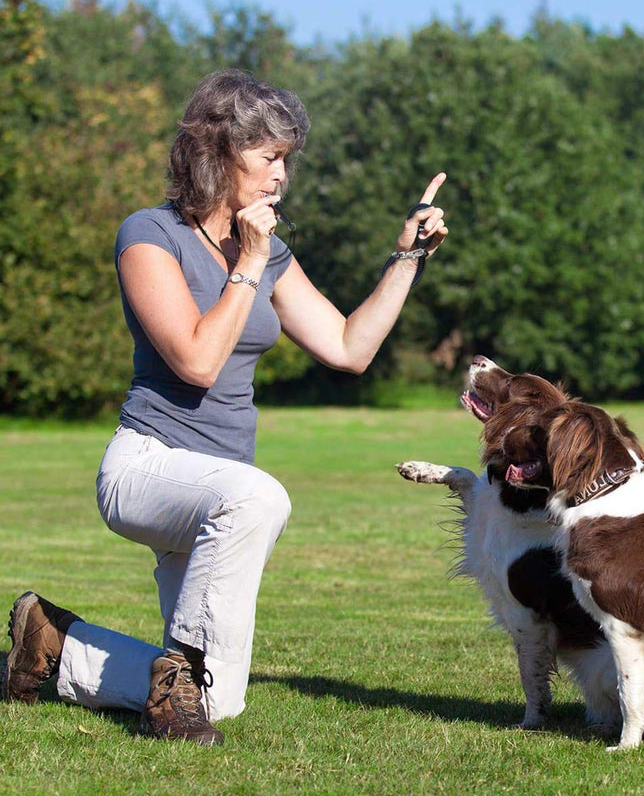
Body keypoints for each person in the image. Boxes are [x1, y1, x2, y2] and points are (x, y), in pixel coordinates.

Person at [2, 69, 447, 746]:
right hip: (148, 468)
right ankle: (172, 679)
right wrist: (248, 263)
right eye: (269, 157)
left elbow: (348, 347)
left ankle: (53, 644)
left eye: (287, 160)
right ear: (217, 151)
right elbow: (196, 359)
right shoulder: (150, 236)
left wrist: (406, 257)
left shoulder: (269, 255)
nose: (281, 177)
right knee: (259, 498)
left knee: (218, 702)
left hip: (219, 493)